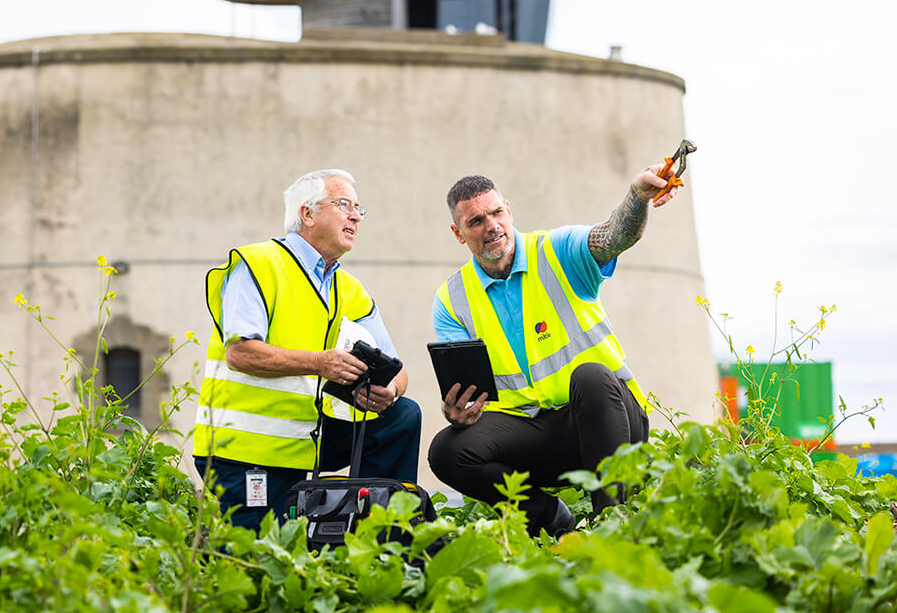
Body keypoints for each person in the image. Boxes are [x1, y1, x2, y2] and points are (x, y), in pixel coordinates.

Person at [427, 165, 682, 537]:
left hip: (611, 422)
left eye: (497, 213)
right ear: (458, 233)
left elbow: (614, 236)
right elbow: (466, 388)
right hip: (534, 436)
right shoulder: (452, 300)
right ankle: (549, 517)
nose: (492, 226)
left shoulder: (556, 250)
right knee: (446, 451)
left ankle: (609, 523)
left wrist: (638, 195)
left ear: (509, 210)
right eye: (476, 220)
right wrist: (458, 413)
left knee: (591, 376)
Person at [193, 169, 421, 531]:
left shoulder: (350, 290)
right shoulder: (259, 264)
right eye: (343, 204)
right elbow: (240, 353)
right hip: (244, 451)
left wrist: (387, 391)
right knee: (259, 558)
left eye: (360, 208)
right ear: (307, 213)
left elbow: (400, 373)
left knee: (401, 415)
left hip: (308, 439)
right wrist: (320, 363)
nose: (355, 216)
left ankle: (377, 534)